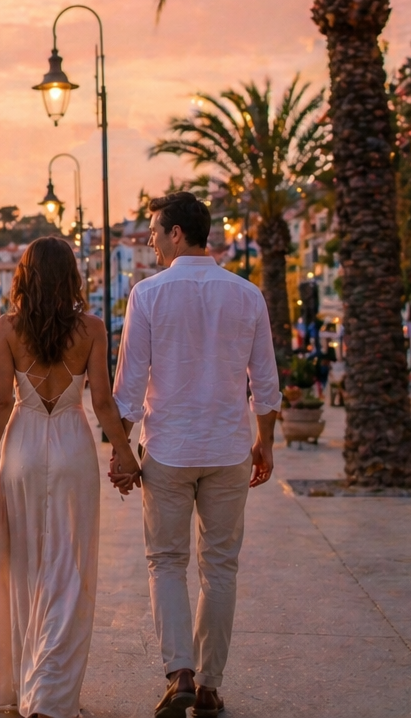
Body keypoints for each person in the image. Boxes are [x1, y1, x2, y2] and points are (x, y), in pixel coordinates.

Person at [109, 192, 280, 718]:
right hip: (228, 448)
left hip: (169, 450)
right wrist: (264, 443)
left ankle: (179, 672)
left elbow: (129, 386)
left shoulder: (149, 294)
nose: (151, 242)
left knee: (166, 562)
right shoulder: (247, 294)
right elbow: (267, 386)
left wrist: (121, 453)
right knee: (221, 567)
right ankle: (208, 685)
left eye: (156, 232)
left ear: (177, 233)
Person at [0, 236, 138, 718]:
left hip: (21, 450)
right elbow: (103, 403)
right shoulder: (91, 328)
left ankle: (28, 683)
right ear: (70, 277)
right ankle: (51, 690)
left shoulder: (7, 328)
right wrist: (125, 455)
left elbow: (2, 401)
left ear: (25, 276)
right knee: (70, 569)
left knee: (21, 567)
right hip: (72, 448)